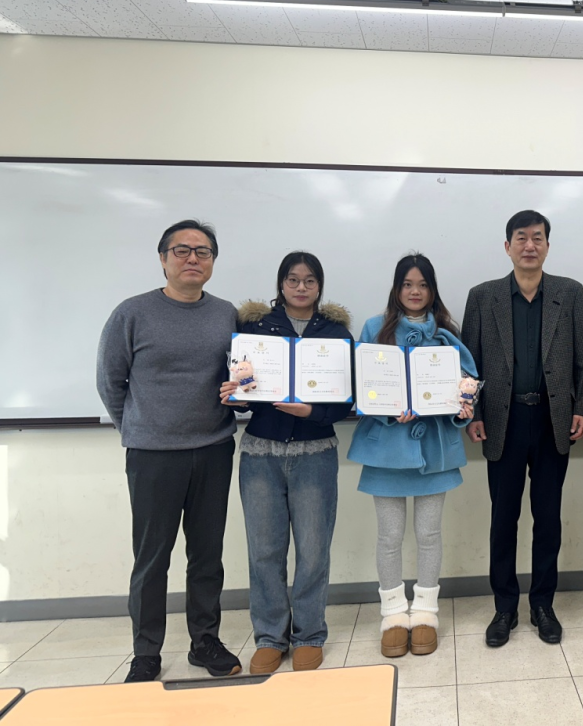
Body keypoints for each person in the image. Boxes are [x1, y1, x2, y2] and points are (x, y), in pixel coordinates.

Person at [96, 219, 242, 683]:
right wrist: (139, 428)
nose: (193, 259)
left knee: (207, 555)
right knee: (152, 558)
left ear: (213, 262)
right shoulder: (132, 313)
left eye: (203, 252)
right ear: (163, 259)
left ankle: (205, 641)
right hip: (153, 455)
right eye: (182, 250)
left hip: (214, 449)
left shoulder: (226, 314)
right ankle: (146, 653)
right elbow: (110, 381)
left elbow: (241, 377)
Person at [460, 210, 583, 648]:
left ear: (548, 246)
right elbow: (470, 363)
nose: (529, 245)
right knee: (504, 518)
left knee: (548, 519)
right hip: (504, 420)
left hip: (553, 419)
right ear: (507, 246)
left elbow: (582, 359)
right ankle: (504, 607)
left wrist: (580, 407)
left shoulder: (569, 293)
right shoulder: (483, 296)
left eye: (537, 238)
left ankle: (542, 605)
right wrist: (474, 413)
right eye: (521, 238)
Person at [218, 251, 353, 674]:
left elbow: (345, 400)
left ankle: (309, 634)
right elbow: (241, 390)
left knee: (313, 550)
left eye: (309, 280)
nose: (300, 287)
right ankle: (270, 637)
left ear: (319, 286)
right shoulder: (254, 330)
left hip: (316, 453)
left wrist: (311, 412)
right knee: (264, 551)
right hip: (261, 453)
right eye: (292, 279)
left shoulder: (335, 334)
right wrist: (234, 395)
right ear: (281, 284)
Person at [347, 253, 477, 658]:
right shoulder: (374, 328)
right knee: (388, 536)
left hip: (434, 451)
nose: (415, 291)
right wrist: (387, 409)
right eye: (407, 284)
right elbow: (360, 385)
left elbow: (467, 385)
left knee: (429, 534)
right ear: (396, 288)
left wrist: (462, 408)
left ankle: (425, 611)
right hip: (386, 450)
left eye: (422, 284)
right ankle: (391, 613)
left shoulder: (447, 333)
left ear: (432, 290)